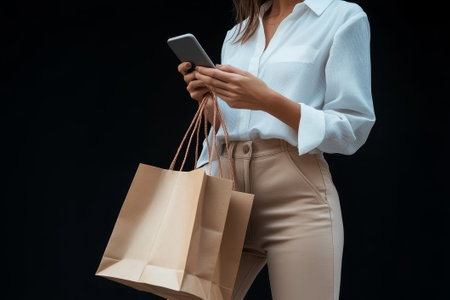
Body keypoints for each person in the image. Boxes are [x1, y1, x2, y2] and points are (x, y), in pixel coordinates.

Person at [177, 0, 375, 299]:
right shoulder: (239, 33)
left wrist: (267, 100)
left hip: (296, 195)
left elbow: (351, 130)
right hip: (226, 188)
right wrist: (210, 105)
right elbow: (229, 127)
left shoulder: (342, 17)